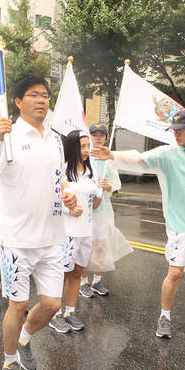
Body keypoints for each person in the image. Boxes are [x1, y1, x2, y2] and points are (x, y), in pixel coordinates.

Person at [91, 110, 185, 339]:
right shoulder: (168, 154)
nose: (176, 134)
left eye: (181, 129)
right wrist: (112, 155)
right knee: (175, 272)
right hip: (179, 224)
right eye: (174, 130)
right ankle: (164, 316)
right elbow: (139, 160)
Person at [0, 76, 77, 370]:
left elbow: (59, 179)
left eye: (45, 95)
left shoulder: (55, 140)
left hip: (52, 236)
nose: (41, 100)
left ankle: (23, 339)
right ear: (18, 102)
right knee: (18, 305)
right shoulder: (7, 134)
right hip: (16, 239)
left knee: (51, 304)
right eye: (34, 95)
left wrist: (68, 195)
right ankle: (9, 363)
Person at [49, 130, 101, 333]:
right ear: (72, 148)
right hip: (67, 232)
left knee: (77, 272)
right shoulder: (62, 171)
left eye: (88, 146)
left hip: (86, 231)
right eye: (82, 146)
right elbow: (53, 201)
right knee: (62, 273)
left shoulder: (90, 171)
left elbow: (94, 205)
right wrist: (69, 209)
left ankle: (70, 312)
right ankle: (54, 313)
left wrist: (101, 191)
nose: (87, 150)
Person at [79, 123, 132, 298]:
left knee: (101, 245)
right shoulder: (84, 156)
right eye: (94, 135)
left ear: (106, 138)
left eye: (101, 135)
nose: (98, 138)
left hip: (103, 210)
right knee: (86, 246)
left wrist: (107, 186)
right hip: (86, 210)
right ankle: (83, 282)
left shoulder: (109, 160)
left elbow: (116, 184)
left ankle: (97, 281)